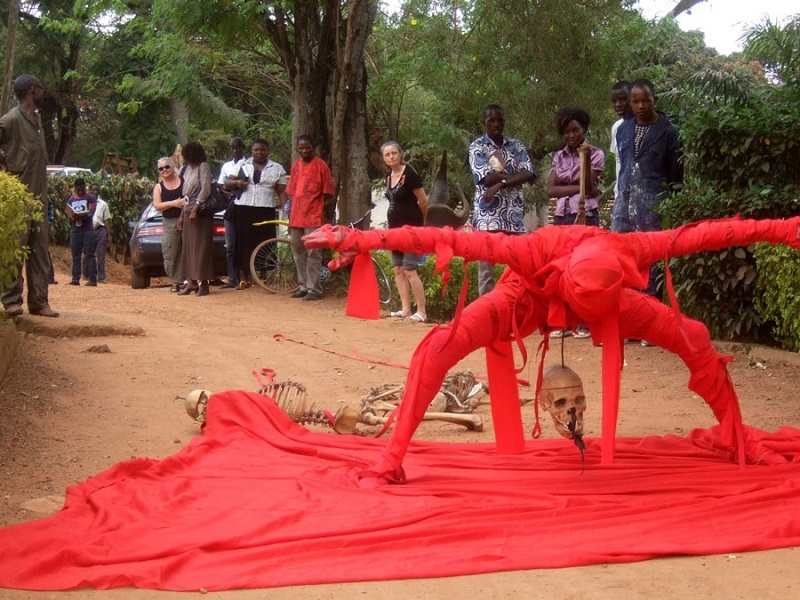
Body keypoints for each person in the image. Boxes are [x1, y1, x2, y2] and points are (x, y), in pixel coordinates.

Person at [612, 78, 683, 302]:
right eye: (635, 102)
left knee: (651, 261)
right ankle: (627, 318)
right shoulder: (623, 129)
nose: (640, 106)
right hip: (623, 208)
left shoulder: (669, 132)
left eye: (646, 101)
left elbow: (676, 175)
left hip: (653, 208)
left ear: (655, 101)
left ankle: (650, 316)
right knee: (621, 260)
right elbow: (623, 167)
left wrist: (669, 206)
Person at [0, 74, 58, 317]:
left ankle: (39, 301)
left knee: (39, 250)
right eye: (41, 89)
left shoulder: (36, 121)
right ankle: (12, 300)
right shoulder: (11, 119)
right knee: (16, 250)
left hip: (38, 199)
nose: (43, 93)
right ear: (33, 91)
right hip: (20, 195)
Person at [546, 107, 605, 339]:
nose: (572, 136)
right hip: (563, 216)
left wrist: (586, 160)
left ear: (583, 130)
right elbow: (551, 190)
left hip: (586, 215)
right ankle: (563, 322)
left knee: (586, 269)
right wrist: (577, 186)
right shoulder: (558, 156)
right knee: (561, 269)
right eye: (567, 132)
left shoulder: (596, 153)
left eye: (576, 130)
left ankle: (585, 322)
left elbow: (589, 188)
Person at [468, 104, 535, 295]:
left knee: (523, 267)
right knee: (486, 274)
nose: (496, 123)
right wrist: (513, 176)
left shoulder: (517, 145)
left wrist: (502, 183)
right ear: (485, 122)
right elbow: (486, 178)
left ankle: (517, 309)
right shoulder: (477, 147)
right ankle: (487, 316)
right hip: (488, 218)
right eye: (491, 120)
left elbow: (529, 174)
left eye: (499, 120)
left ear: (504, 122)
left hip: (514, 218)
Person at [225, 138, 288, 289]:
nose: (259, 152)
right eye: (256, 150)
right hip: (244, 209)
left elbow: (281, 192)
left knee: (265, 242)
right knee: (244, 243)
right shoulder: (243, 165)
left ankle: (264, 277)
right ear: (251, 151)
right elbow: (227, 183)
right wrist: (237, 183)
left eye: (262, 149)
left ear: (267, 150)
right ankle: (245, 278)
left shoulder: (277, 168)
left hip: (265, 209)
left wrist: (286, 210)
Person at [380, 141, 428, 320]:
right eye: (387, 154)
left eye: (394, 153)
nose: (391, 157)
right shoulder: (388, 176)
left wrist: (421, 224)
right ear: (384, 158)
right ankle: (406, 309)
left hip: (411, 229)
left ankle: (422, 311)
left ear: (400, 154)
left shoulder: (410, 175)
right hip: (394, 230)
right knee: (398, 269)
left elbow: (423, 201)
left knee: (410, 270)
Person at [285, 135, 335, 301]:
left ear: (313, 147)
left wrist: (317, 206)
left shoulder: (321, 166)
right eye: (301, 147)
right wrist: (289, 215)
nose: (304, 150)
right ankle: (303, 285)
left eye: (307, 147)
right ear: (297, 149)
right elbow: (291, 192)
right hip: (296, 217)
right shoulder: (295, 167)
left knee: (314, 253)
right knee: (298, 251)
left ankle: (314, 289)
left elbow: (328, 192)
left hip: (313, 216)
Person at [177, 142, 214, 296]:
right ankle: (191, 282)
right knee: (189, 248)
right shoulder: (185, 170)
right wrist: (181, 216)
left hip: (199, 213)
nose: (182, 157)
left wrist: (195, 209)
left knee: (200, 248)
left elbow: (206, 189)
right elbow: (185, 194)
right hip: (187, 210)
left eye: (184, 154)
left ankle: (204, 283)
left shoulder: (203, 167)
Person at [217, 137, 246, 289]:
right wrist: (227, 192)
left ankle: (244, 277)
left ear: (243, 148)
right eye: (233, 148)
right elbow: (221, 185)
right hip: (230, 207)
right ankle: (232, 278)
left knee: (243, 243)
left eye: (238, 148)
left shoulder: (247, 164)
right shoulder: (227, 166)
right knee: (230, 245)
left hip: (244, 206)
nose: (235, 150)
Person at [152, 157, 185, 292]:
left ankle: (189, 280)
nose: (164, 170)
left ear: (172, 167)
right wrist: (173, 203)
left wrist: (182, 215)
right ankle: (175, 281)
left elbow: (189, 198)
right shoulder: (158, 187)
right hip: (169, 223)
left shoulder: (184, 181)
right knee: (171, 252)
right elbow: (157, 205)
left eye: (166, 167)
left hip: (187, 220)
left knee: (186, 251)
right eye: (161, 168)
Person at [65, 178, 98, 287]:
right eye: (77, 189)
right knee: (75, 255)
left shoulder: (91, 198)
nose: (80, 191)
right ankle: (75, 278)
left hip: (88, 230)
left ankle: (92, 279)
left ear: (84, 187)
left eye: (81, 189)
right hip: (75, 230)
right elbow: (69, 216)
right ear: (75, 188)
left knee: (90, 254)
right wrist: (72, 216)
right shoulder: (70, 201)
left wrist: (82, 216)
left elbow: (91, 213)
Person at [609, 80, 633, 204]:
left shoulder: (644, 126)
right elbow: (618, 161)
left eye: (623, 99)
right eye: (614, 101)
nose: (618, 104)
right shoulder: (616, 128)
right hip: (621, 197)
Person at [88, 183, 111, 283]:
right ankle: (87, 275)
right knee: (88, 254)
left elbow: (106, 220)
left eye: (97, 190)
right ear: (90, 191)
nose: (95, 192)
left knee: (101, 254)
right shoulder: (86, 203)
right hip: (89, 230)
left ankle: (101, 277)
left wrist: (108, 234)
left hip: (100, 230)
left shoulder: (103, 204)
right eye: (93, 190)